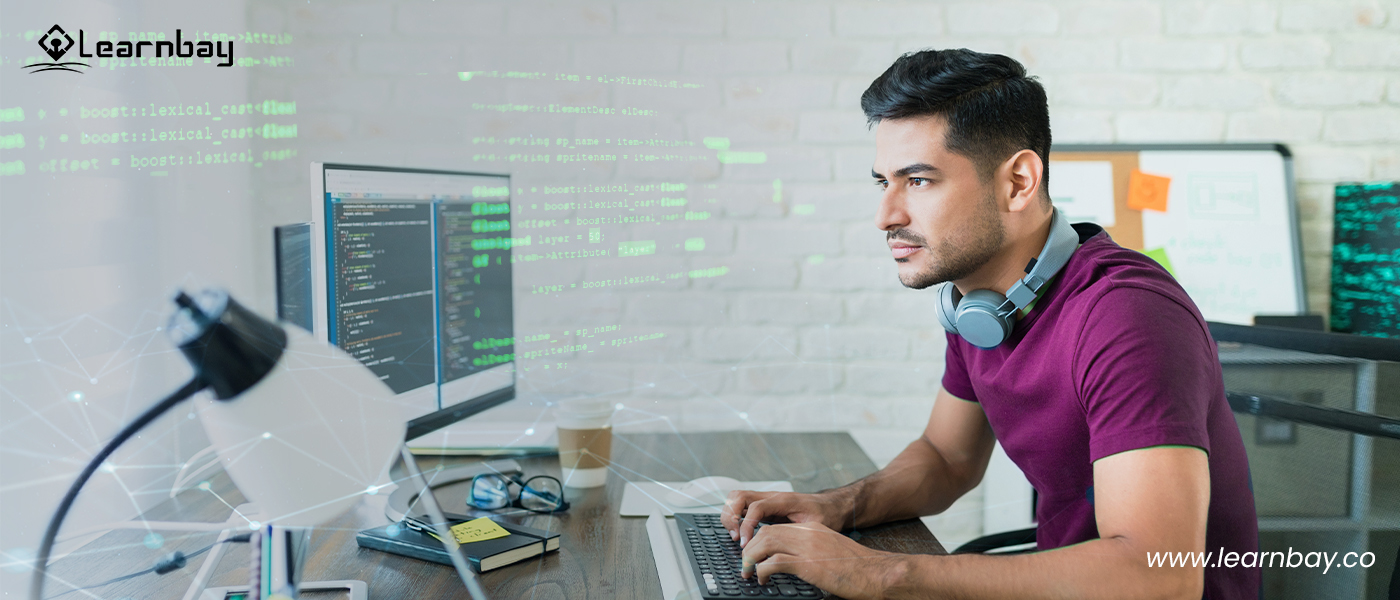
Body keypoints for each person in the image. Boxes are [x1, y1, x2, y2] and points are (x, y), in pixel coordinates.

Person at [720, 49, 1259, 600]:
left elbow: (1160, 578)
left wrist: (877, 571)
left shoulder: (1128, 319)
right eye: (884, 181)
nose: (886, 215)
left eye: (920, 181)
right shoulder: (980, 305)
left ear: (1019, 182)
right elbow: (946, 458)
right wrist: (837, 505)